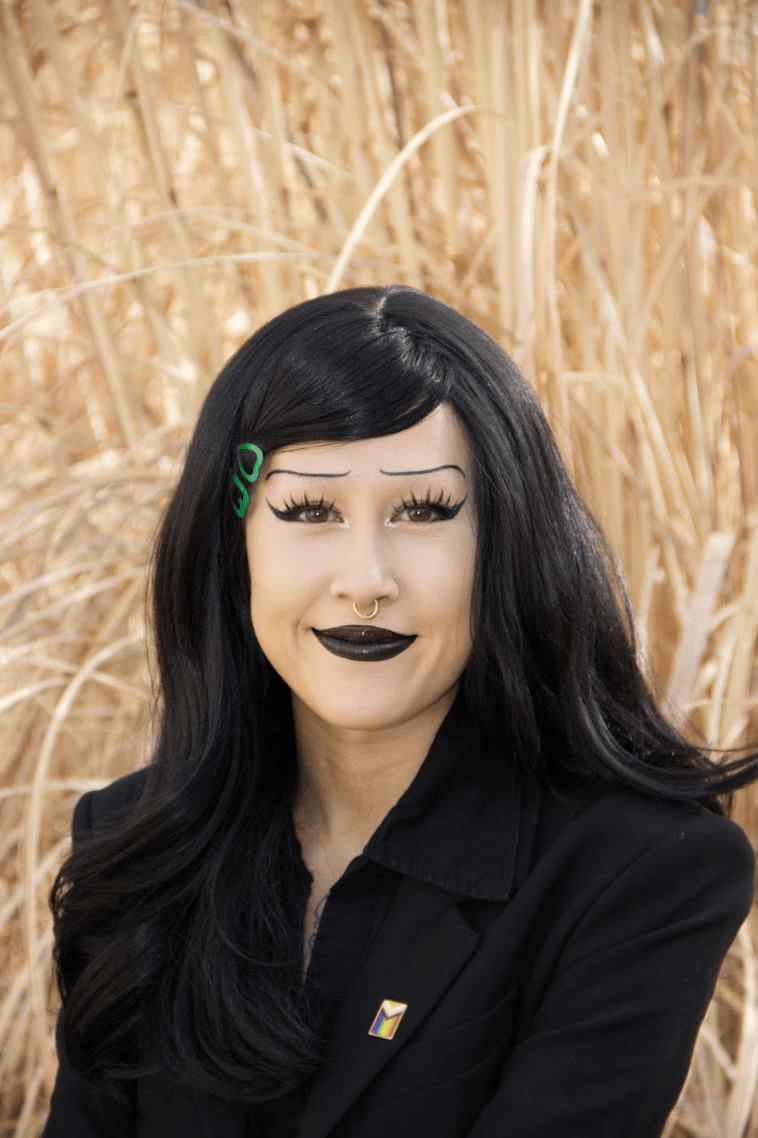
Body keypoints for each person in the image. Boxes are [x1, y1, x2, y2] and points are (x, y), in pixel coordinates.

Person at [42, 286, 756, 1138]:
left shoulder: (640, 873)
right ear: (233, 547)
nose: (365, 577)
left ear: (503, 542)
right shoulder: (137, 848)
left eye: (423, 511)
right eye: (309, 511)